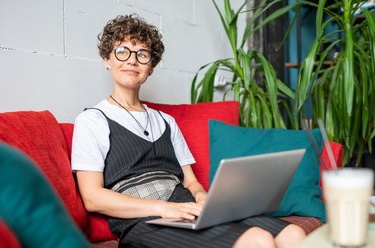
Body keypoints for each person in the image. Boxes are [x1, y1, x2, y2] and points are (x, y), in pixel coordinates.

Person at [71, 14, 306, 248]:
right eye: (122, 51)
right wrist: (163, 208)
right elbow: (92, 197)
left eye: (142, 54)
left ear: (150, 66)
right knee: (258, 240)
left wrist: (203, 197)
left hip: (187, 209)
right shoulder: (92, 119)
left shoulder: (166, 122)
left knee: (294, 234)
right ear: (106, 59)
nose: (132, 61)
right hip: (144, 221)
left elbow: (191, 182)